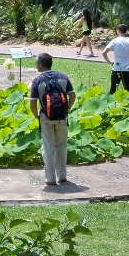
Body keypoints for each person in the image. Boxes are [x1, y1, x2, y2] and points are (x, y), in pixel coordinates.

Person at [29, 53, 76, 186]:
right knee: (61, 145)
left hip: (46, 116)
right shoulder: (63, 76)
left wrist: (36, 116)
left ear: (41, 65)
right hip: (62, 116)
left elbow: (32, 103)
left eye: (36, 63)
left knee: (48, 147)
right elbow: (72, 95)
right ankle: (62, 175)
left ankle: (50, 178)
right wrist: (68, 108)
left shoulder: (37, 81)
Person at [101, 23, 129, 94]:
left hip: (117, 69)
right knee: (128, 92)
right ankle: (128, 104)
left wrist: (109, 61)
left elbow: (104, 53)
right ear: (125, 31)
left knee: (113, 91)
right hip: (127, 68)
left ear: (118, 31)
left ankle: (110, 104)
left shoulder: (115, 41)